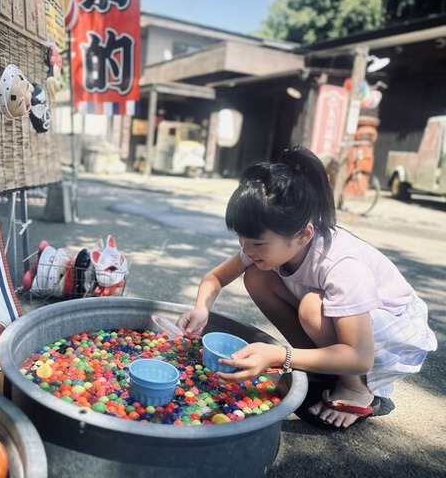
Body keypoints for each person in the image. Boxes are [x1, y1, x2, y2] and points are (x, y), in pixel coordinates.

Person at [177, 145, 437, 429]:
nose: (246, 249)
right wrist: (201, 309)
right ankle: (322, 366)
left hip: (389, 334)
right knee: (257, 276)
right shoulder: (265, 246)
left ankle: (356, 389)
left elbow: (360, 357)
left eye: (257, 243)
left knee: (312, 307)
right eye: (242, 239)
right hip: (350, 329)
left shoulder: (341, 265)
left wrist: (280, 355)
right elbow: (214, 279)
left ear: (304, 235)